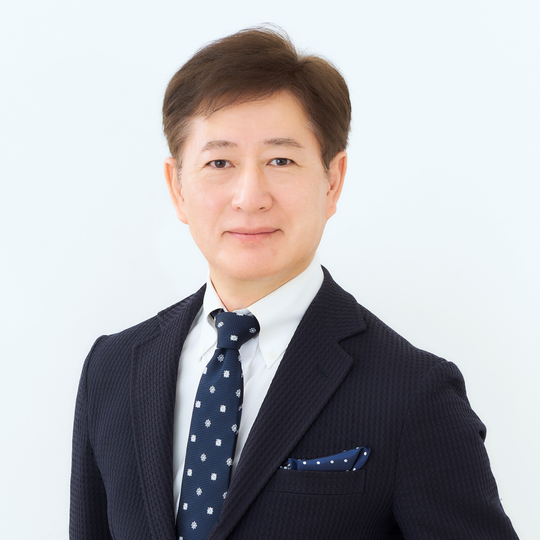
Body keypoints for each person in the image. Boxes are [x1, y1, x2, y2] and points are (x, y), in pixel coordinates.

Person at [70, 27, 519, 540]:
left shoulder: (414, 393)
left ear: (332, 181)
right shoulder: (112, 370)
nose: (249, 196)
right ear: (177, 188)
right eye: (219, 162)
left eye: (280, 161)